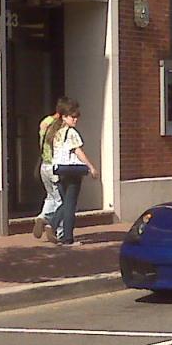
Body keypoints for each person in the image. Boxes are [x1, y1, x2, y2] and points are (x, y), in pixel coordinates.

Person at [45, 98, 99, 246]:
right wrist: (91, 167)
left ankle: (52, 224)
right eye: (72, 117)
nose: (75, 119)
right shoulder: (71, 132)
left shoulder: (56, 133)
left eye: (76, 117)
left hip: (60, 170)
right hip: (73, 171)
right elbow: (78, 151)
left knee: (66, 202)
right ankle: (67, 237)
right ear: (64, 117)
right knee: (71, 204)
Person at [32, 100, 65, 240]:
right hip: (54, 166)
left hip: (44, 164)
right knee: (61, 200)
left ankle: (42, 217)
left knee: (50, 196)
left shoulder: (45, 121)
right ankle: (58, 230)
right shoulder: (60, 126)